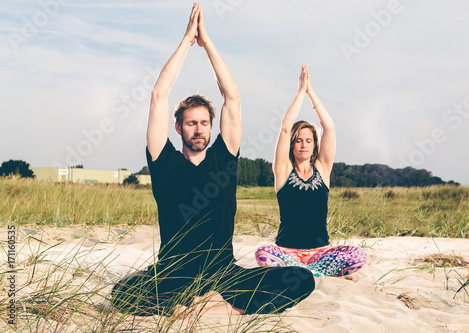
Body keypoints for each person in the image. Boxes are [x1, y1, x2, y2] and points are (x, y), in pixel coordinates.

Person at [111, 3, 315, 316]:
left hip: (222, 274)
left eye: (204, 122)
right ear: (178, 127)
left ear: (212, 126)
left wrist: (206, 43)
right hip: (172, 273)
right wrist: (185, 42)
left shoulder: (224, 158)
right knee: (121, 293)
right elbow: (158, 96)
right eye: (191, 123)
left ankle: (213, 307)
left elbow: (231, 97)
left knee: (300, 279)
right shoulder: (164, 162)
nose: (198, 128)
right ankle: (205, 306)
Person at [255, 65, 367, 278]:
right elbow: (285, 127)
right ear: (291, 144)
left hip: (320, 253)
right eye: (298, 141)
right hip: (287, 251)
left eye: (308, 140)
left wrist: (310, 92)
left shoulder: (323, 169)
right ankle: (312, 273)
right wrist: (299, 92)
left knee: (358, 255)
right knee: (263, 253)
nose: (303, 145)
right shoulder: (283, 170)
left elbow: (330, 128)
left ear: (315, 145)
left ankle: (308, 271)